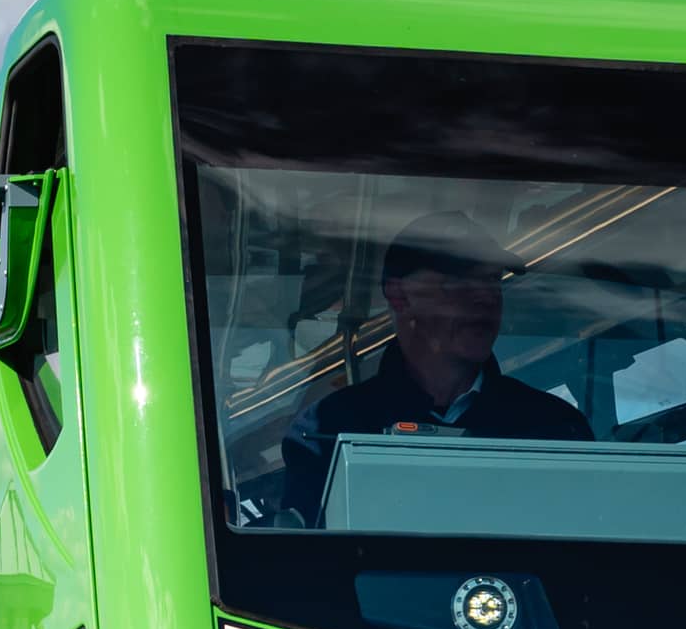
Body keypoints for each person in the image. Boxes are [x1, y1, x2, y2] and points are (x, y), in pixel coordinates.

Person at [241, 214, 592, 525]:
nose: (484, 297)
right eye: (459, 281)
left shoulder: (557, 430)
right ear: (399, 296)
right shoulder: (329, 429)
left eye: (492, 280)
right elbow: (314, 574)